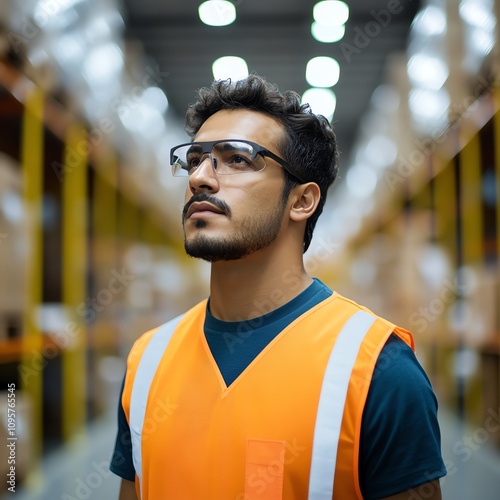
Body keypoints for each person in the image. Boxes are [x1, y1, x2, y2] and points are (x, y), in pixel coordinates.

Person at [110, 74, 446, 500]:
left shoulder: (377, 370)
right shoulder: (148, 360)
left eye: (236, 159)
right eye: (194, 160)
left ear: (302, 201)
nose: (199, 178)